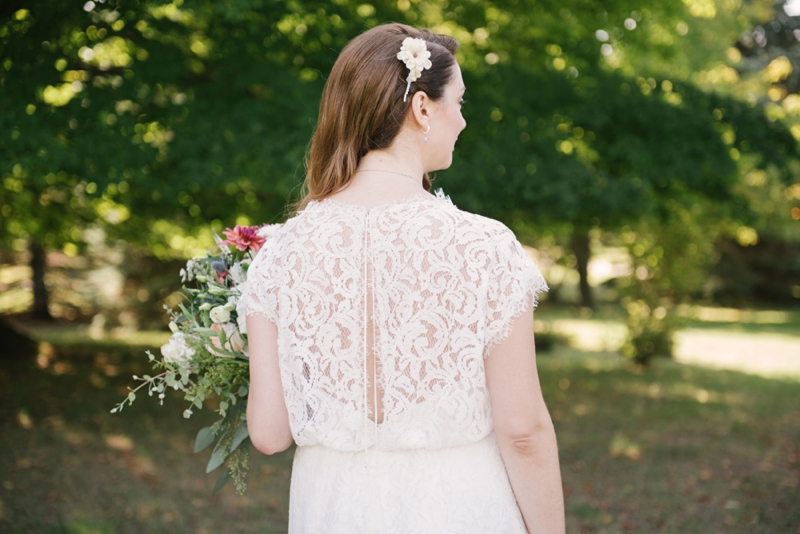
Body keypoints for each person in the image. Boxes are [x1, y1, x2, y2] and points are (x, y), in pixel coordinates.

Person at [237, 22, 565, 534]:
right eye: (459, 103)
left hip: (332, 511)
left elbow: (269, 433)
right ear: (422, 109)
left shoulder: (279, 254)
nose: (461, 121)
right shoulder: (484, 247)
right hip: (457, 508)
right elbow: (522, 431)